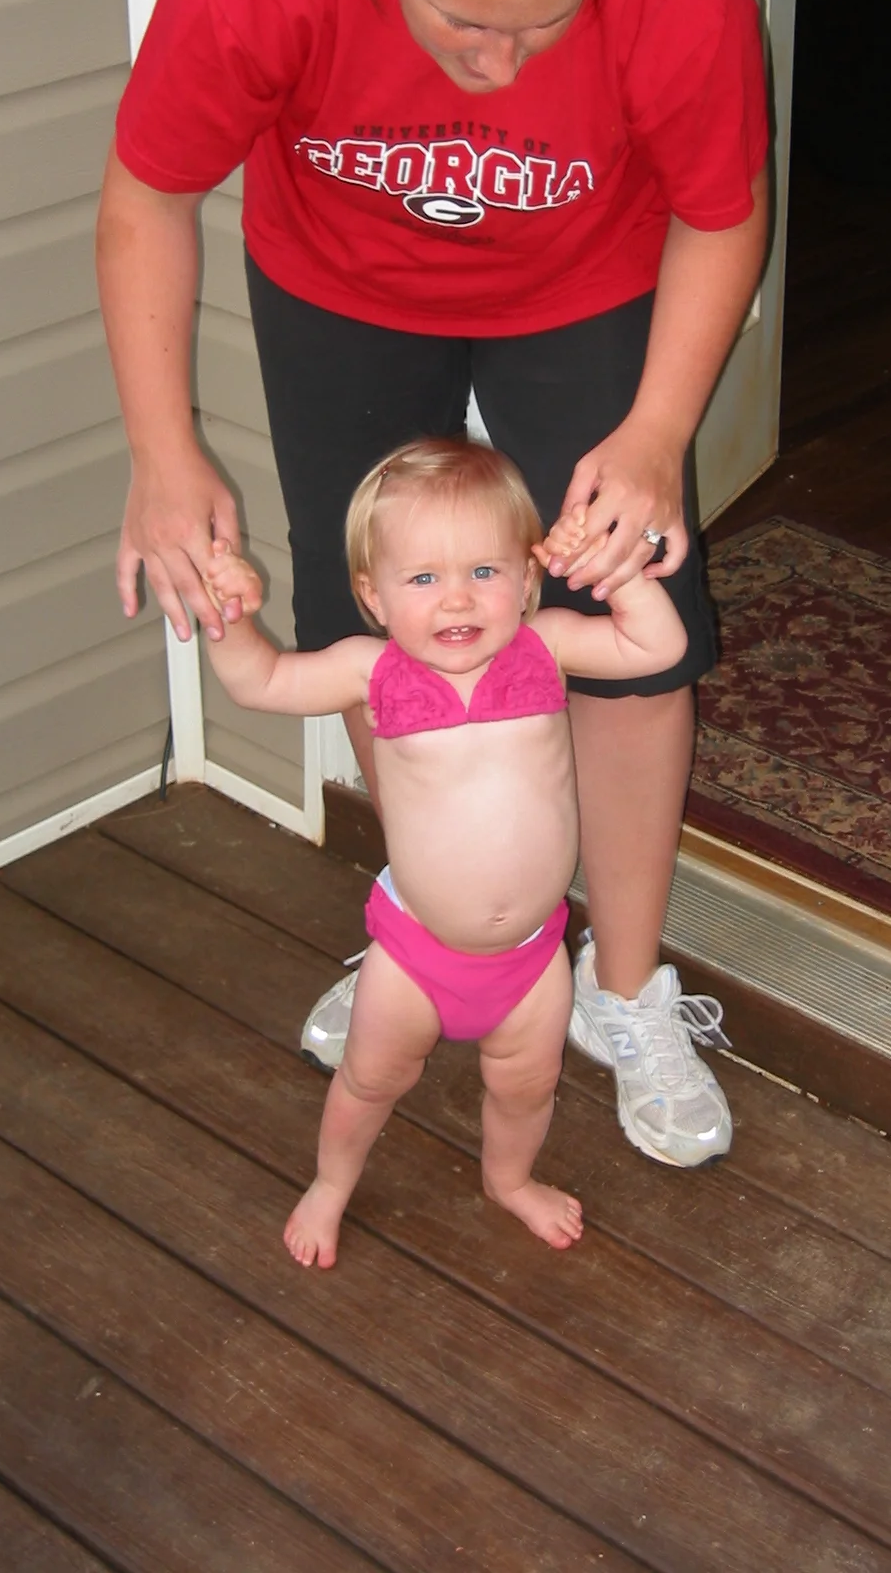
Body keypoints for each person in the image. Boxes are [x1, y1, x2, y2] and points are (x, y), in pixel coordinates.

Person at [95, 0, 769, 1168]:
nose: (500, 68)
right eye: (464, 26)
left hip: (590, 279)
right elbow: (149, 191)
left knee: (623, 613)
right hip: (341, 281)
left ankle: (625, 990)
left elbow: (721, 214)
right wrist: (162, 449)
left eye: (544, 24)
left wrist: (655, 437)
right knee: (398, 610)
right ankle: (436, 929)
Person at [201, 439, 688, 1265]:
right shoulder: (371, 672)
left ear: (527, 579)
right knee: (369, 1082)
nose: (456, 598)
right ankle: (331, 1185)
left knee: (526, 1090)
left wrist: (618, 576)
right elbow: (263, 683)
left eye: (484, 572)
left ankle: (509, 1181)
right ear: (374, 595)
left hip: (532, 959)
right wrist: (230, 617)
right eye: (423, 578)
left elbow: (657, 649)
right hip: (415, 958)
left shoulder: (547, 647)